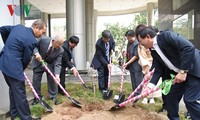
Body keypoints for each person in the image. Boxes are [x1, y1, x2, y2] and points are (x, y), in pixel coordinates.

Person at [136, 24, 200, 120]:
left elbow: (188, 47)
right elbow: (158, 69)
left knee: (190, 100)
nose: (141, 45)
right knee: (170, 96)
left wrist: (183, 71)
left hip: (193, 70)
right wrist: (149, 87)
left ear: (148, 37)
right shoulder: (153, 50)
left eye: (141, 41)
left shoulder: (167, 36)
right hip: (179, 75)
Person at [0, 20, 47, 120]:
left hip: (3, 63)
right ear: (36, 27)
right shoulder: (32, 41)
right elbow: (25, 60)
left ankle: (14, 115)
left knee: (13, 90)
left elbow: (2, 30)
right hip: (14, 68)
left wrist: (8, 47)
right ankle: (26, 118)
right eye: (42, 32)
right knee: (21, 94)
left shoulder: (18, 27)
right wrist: (20, 69)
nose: (42, 35)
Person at [31, 35, 64, 105]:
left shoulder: (60, 50)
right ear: (53, 41)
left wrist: (57, 75)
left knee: (53, 80)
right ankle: (37, 98)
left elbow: (58, 63)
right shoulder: (43, 39)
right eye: (59, 44)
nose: (60, 46)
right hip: (38, 62)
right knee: (36, 81)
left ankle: (53, 97)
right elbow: (34, 46)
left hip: (50, 64)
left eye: (61, 44)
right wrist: (36, 53)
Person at [123, 30, 143, 98]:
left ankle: (138, 94)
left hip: (137, 64)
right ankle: (134, 92)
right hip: (131, 65)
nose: (129, 40)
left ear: (134, 36)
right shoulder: (129, 42)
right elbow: (128, 51)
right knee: (133, 79)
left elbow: (136, 56)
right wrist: (126, 53)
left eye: (130, 38)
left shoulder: (137, 43)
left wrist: (127, 63)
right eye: (128, 38)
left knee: (138, 79)